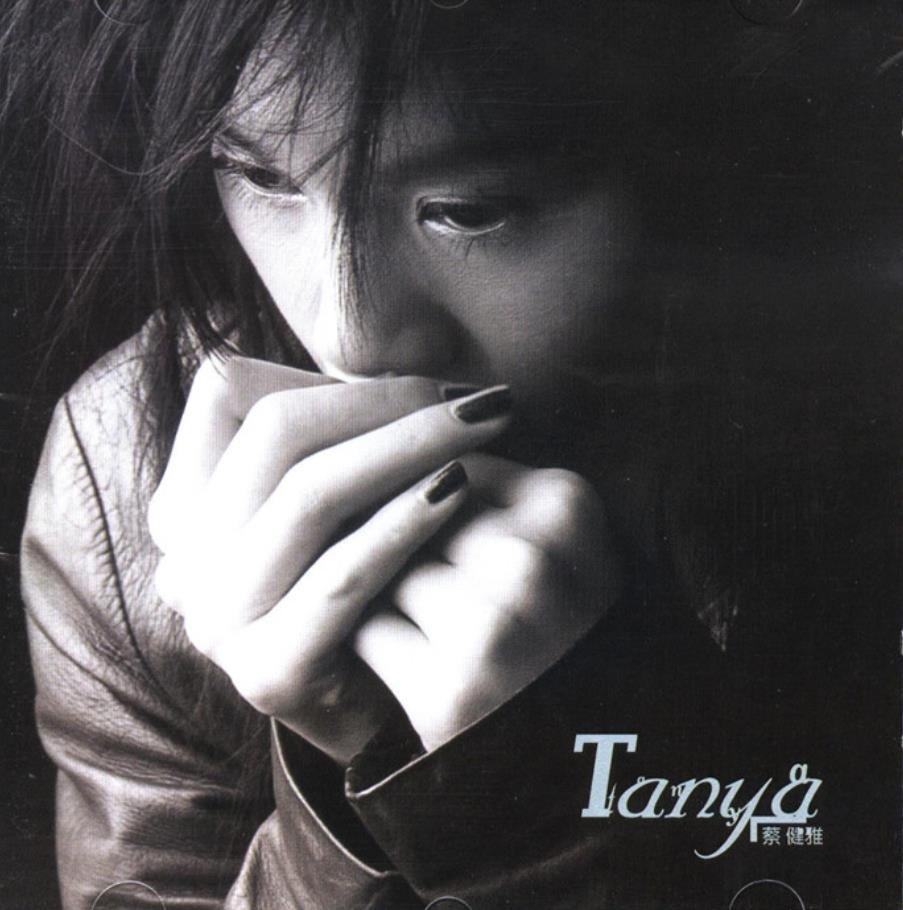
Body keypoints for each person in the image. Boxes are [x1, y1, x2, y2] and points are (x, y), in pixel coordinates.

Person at [3, 1, 901, 907]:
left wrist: (563, 814)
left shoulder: (858, 418)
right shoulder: (121, 463)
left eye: (468, 212)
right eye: (260, 175)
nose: (348, 338)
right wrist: (365, 780)